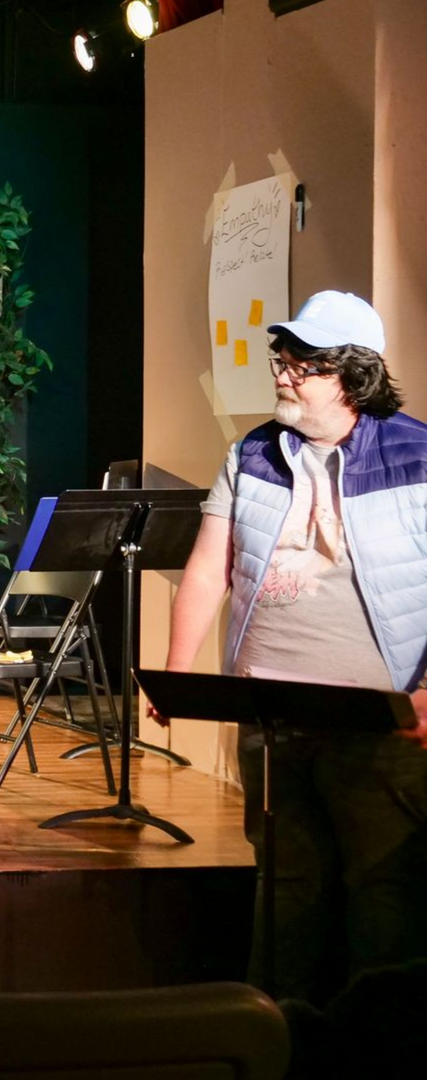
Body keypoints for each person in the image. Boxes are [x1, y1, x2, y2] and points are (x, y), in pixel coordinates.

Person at [155, 290, 427, 1006]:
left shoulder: (417, 454)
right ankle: (277, 1039)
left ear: (354, 373)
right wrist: (176, 677)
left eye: (303, 365)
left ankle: (383, 1047)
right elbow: (209, 568)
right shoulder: (252, 453)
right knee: (284, 888)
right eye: (283, 360)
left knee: (384, 888)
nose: (283, 375)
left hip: (379, 717)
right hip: (270, 714)